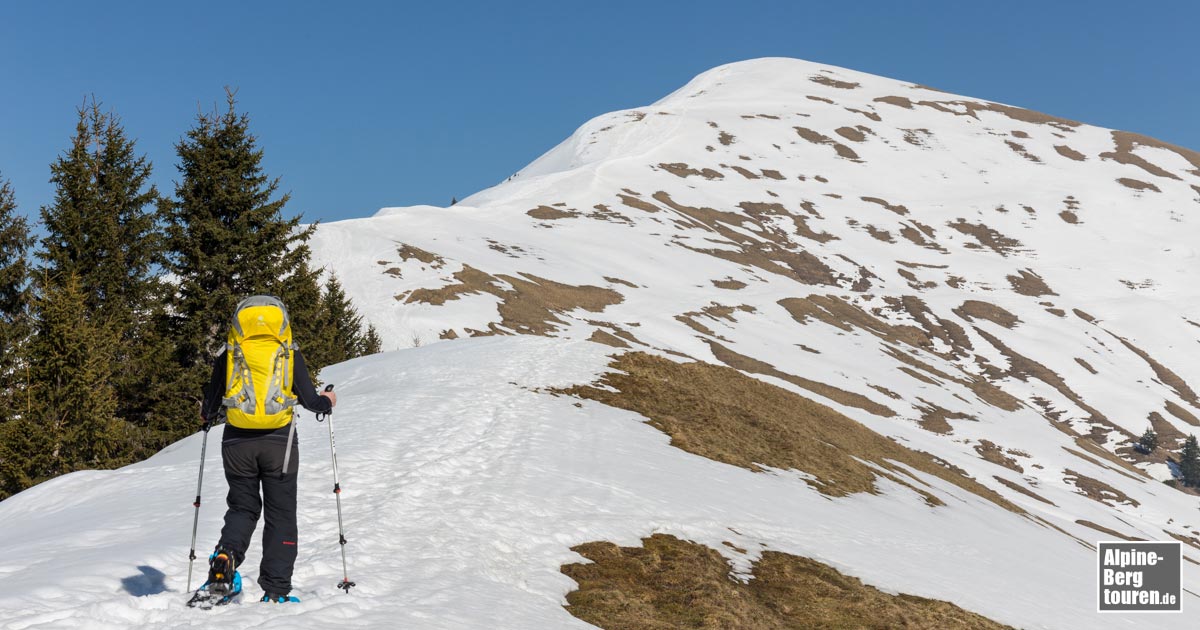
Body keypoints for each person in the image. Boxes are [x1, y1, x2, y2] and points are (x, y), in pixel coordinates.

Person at [198, 295, 337, 604]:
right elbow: (309, 398)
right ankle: (275, 589)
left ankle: (226, 556)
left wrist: (208, 415)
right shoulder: (287, 351)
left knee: (243, 507)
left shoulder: (231, 351)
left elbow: (210, 403)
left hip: (237, 441)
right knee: (281, 513)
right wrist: (328, 401)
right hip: (280, 443)